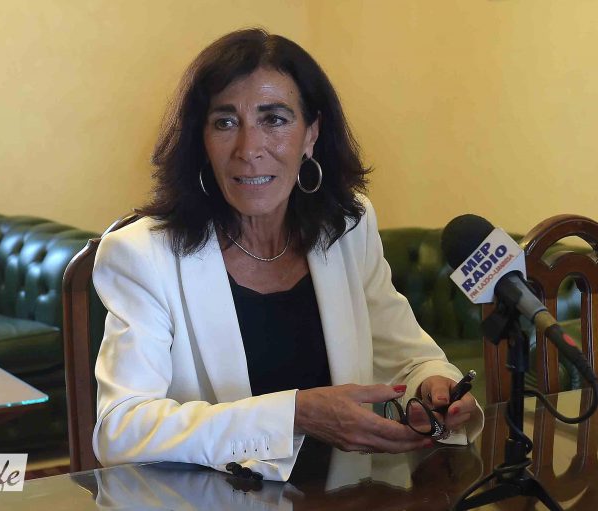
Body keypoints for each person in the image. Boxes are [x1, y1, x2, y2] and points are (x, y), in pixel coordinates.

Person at [92, 28, 483, 481]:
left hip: (347, 493)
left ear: (311, 134)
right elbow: (121, 431)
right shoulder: (142, 255)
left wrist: (433, 387)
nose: (249, 149)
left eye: (274, 119)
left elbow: (408, 358)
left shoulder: (348, 226)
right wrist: (295, 415)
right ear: (202, 141)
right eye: (225, 122)